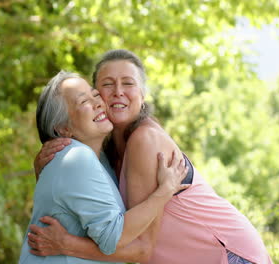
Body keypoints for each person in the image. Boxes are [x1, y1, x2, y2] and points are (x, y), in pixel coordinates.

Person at [29, 50, 272, 264]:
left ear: (142, 95)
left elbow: (141, 249)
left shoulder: (144, 140)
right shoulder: (107, 152)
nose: (118, 92)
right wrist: (44, 170)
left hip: (226, 254)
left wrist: (65, 244)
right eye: (107, 85)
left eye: (128, 83)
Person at [19, 70, 189, 264]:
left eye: (95, 95)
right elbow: (113, 238)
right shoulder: (77, 158)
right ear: (64, 128)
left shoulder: (99, 160)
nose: (98, 103)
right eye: (84, 102)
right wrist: (165, 191)